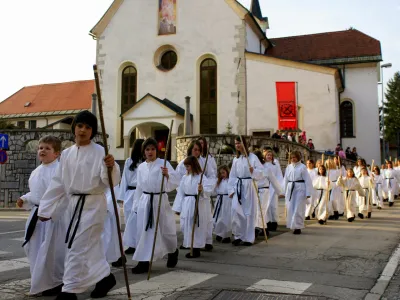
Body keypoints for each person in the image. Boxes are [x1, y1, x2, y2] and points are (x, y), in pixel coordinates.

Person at [37, 111, 120, 300]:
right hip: (73, 206)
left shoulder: (100, 151)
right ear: (74, 127)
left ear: (93, 131)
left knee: (78, 247)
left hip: (92, 205)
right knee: (88, 248)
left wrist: (111, 166)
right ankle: (105, 278)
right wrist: (45, 209)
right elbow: (58, 183)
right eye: (80, 125)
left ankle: (69, 291)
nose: (83, 130)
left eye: (88, 127)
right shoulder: (66, 154)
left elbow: (110, 181)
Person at [16, 136, 67, 297]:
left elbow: (62, 195)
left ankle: (55, 283)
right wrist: (25, 198)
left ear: (57, 153)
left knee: (51, 252)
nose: (42, 150)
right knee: (34, 250)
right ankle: (40, 282)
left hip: (52, 218)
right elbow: (37, 193)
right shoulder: (36, 171)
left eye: (47, 148)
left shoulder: (59, 171)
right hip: (37, 217)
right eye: (40, 147)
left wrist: (50, 212)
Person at [131, 138, 180, 274]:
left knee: (165, 230)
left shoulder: (163, 164)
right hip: (145, 201)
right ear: (143, 152)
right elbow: (139, 187)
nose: (150, 152)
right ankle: (144, 261)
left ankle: (173, 250)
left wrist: (167, 175)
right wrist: (136, 205)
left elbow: (175, 182)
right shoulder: (141, 167)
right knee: (144, 231)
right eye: (147, 149)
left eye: (152, 149)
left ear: (156, 151)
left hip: (159, 201)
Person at [174, 156, 214, 258]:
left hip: (197, 203)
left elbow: (208, 191)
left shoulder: (201, 177)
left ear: (193, 166)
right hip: (187, 203)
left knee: (196, 226)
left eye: (188, 166)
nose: (186, 168)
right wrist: (178, 208)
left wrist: (202, 190)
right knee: (187, 225)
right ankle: (190, 245)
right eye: (186, 166)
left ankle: (196, 249)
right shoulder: (185, 177)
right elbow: (181, 193)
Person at [229, 136, 264, 246]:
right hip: (239, 186)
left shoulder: (252, 157)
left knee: (248, 212)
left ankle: (248, 238)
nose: (237, 145)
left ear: (244, 144)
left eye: (239, 143)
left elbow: (261, 172)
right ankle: (238, 235)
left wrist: (253, 171)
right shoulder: (236, 159)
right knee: (236, 211)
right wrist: (231, 189)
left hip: (249, 186)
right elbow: (232, 175)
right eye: (236, 143)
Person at [119, 139, 145, 257]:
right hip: (130, 193)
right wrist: (122, 197)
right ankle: (131, 244)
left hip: (141, 193)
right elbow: (124, 179)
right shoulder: (129, 161)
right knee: (130, 219)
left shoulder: (146, 162)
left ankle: (140, 243)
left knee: (140, 219)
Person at [253, 150, 282, 237]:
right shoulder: (252, 168)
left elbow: (273, 180)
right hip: (254, 191)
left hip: (264, 191)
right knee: (256, 211)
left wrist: (280, 192)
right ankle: (263, 228)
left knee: (261, 210)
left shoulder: (266, 168)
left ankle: (258, 228)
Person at [283, 151, 312, 234]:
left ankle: (298, 226)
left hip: (300, 188)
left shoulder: (302, 167)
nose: (293, 159)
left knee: (298, 207)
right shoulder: (289, 167)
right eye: (291, 157)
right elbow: (285, 179)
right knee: (290, 207)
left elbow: (307, 180)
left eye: (294, 157)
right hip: (290, 188)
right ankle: (292, 224)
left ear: (298, 158)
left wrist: (308, 193)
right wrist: (283, 190)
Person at [197, 136, 217, 250]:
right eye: (198, 143)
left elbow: (212, 174)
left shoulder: (209, 158)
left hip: (204, 191)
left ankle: (208, 240)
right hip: (193, 193)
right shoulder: (191, 158)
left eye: (202, 143)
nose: (200, 145)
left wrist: (206, 188)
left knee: (207, 218)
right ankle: (193, 241)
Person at [102, 186, 123, 266]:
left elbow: (114, 190)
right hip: (100, 206)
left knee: (111, 236)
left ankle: (117, 257)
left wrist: (106, 205)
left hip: (108, 208)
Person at [212, 165, 232, 243]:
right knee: (218, 218)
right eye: (220, 173)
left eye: (223, 173)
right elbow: (214, 191)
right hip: (219, 200)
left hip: (227, 200)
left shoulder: (230, 181)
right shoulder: (218, 181)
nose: (222, 175)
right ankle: (219, 233)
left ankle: (226, 235)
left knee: (226, 218)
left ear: (227, 172)